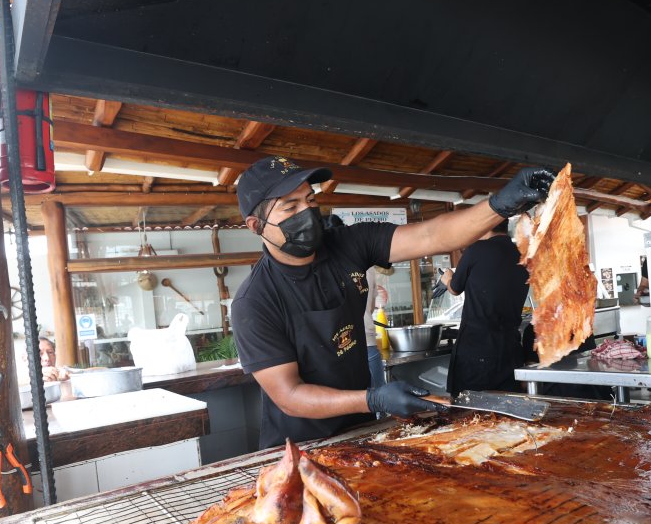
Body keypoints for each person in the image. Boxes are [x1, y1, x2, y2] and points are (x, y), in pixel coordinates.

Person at [232, 155, 553, 448]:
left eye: (311, 199)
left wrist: (500, 204)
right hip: (297, 446)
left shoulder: (348, 244)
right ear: (256, 225)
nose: (307, 212)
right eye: (290, 208)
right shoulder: (255, 301)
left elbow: (431, 235)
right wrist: (373, 400)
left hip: (358, 433)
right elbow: (289, 396)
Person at [439, 219, 529, 395]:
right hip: (510, 349)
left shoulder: (476, 250)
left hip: (478, 350)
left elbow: (455, 288)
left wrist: (447, 278)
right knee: (508, 407)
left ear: (485, 226)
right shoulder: (522, 254)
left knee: (470, 408)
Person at [322, 214, 390, 390]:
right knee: (379, 400)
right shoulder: (366, 265)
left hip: (337, 349)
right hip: (368, 342)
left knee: (351, 404)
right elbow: (371, 305)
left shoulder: (322, 268)